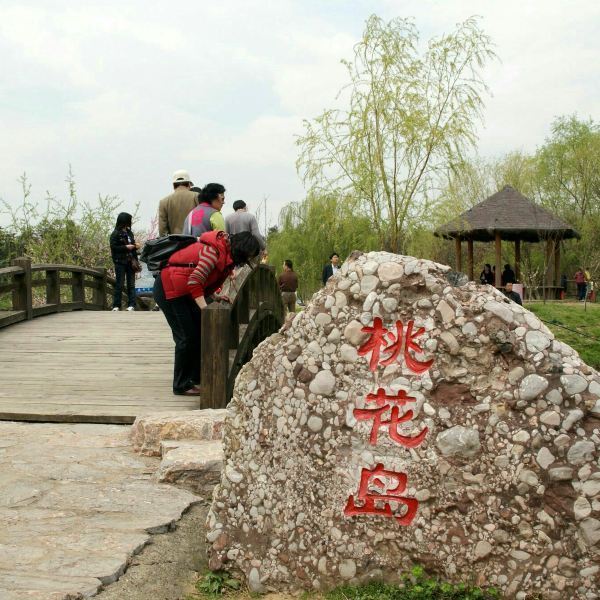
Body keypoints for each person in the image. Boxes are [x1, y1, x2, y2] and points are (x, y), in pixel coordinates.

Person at [153, 231, 260, 396]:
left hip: (184, 291)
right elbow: (195, 280)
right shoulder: (212, 252)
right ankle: (181, 385)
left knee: (198, 332)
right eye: (248, 256)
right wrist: (206, 309)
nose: (246, 260)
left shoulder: (225, 252)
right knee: (186, 337)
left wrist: (214, 296)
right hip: (170, 289)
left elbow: (206, 278)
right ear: (242, 249)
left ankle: (195, 378)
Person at [110, 212, 140, 311]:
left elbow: (132, 246)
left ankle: (131, 304)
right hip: (120, 262)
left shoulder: (129, 233)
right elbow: (114, 247)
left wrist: (135, 247)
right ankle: (116, 305)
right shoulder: (115, 233)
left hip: (130, 261)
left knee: (131, 284)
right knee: (119, 283)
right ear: (124, 221)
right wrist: (126, 247)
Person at [158, 170, 199, 236]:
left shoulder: (164, 202)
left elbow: (162, 230)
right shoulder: (197, 196)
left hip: (175, 243)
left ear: (173, 185)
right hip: (194, 241)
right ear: (189, 184)